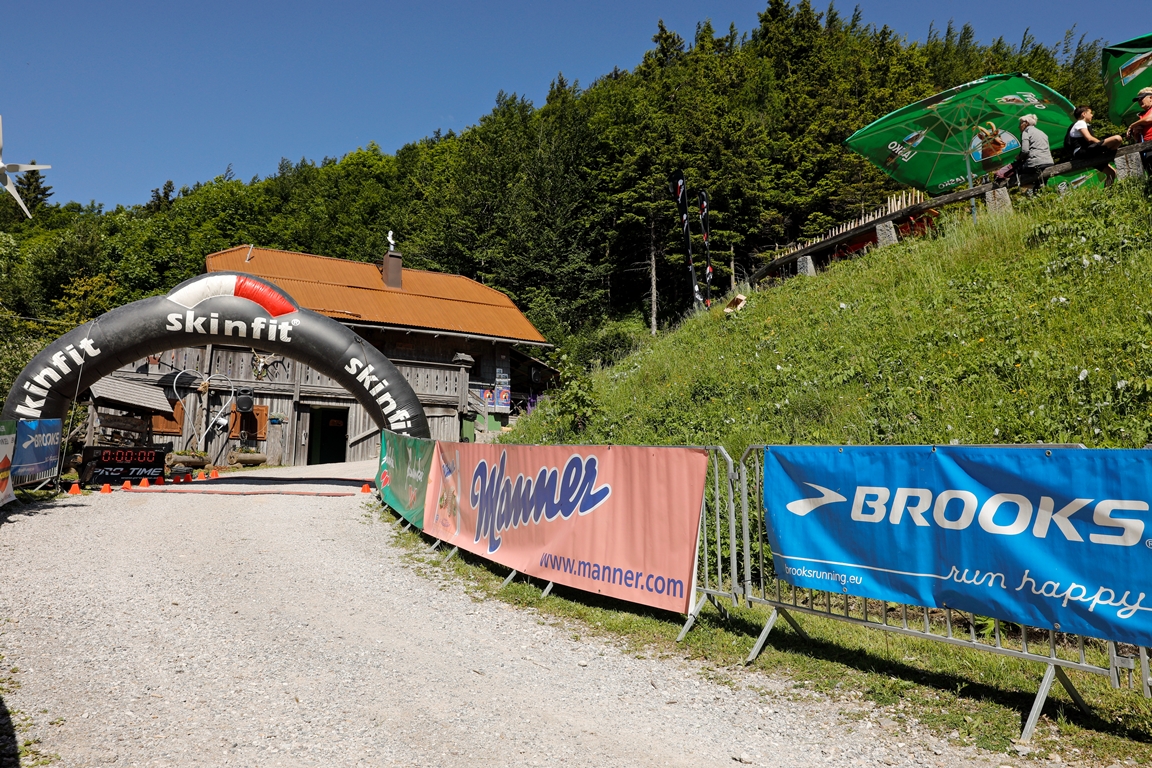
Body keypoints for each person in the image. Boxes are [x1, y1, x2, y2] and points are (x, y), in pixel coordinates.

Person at [1068, 106, 1121, 184]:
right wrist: (1101, 144)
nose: (1092, 115)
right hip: (1081, 152)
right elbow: (1089, 138)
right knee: (1117, 138)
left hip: (1088, 153)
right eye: (1090, 113)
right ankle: (1108, 154)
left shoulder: (1083, 124)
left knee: (1111, 173)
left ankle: (1108, 192)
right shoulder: (1080, 123)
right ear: (1084, 114)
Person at [1016, 114, 1052, 190]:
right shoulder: (1042, 133)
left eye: (1020, 123)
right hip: (1048, 162)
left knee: (1017, 171)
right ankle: (1039, 188)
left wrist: (1020, 158)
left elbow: (1025, 151)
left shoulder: (1026, 133)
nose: (1019, 126)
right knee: (1041, 182)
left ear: (1026, 123)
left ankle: (1032, 189)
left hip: (1035, 163)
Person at [1126, 87, 1152, 172]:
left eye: (1142, 98)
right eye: (1138, 100)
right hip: (1145, 148)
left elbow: (1149, 119)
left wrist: (1132, 125)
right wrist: (1136, 133)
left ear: (1151, 98)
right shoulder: (1141, 115)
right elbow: (1136, 139)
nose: (1139, 101)